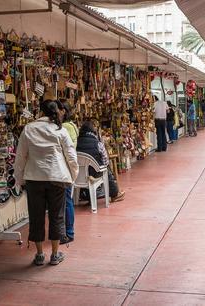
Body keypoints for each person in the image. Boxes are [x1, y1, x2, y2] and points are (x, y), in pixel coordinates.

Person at [15, 100, 79, 266]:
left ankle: (39, 254)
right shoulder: (60, 130)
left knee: (36, 216)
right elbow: (71, 157)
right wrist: (72, 176)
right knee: (56, 216)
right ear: (56, 111)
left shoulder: (29, 128)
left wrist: (19, 180)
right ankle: (55, 254)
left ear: (40, 111)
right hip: (57, 178)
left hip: (34, 179)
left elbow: (20, 157)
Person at [76, 121, 125, 202]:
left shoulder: (76, 143)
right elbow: (106, 161)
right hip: (94, 174)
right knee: (106, 169)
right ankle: (114, 194)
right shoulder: (97, 143)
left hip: (79, 174)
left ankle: (84, 195)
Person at [58, 101, 79, 245]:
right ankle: (67, 231)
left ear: (63, 111)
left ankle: (68, 232)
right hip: (67, 168)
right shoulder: (72, 125)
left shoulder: (64, 127)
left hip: (64, 169)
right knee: (66, 200)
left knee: (65, 201)